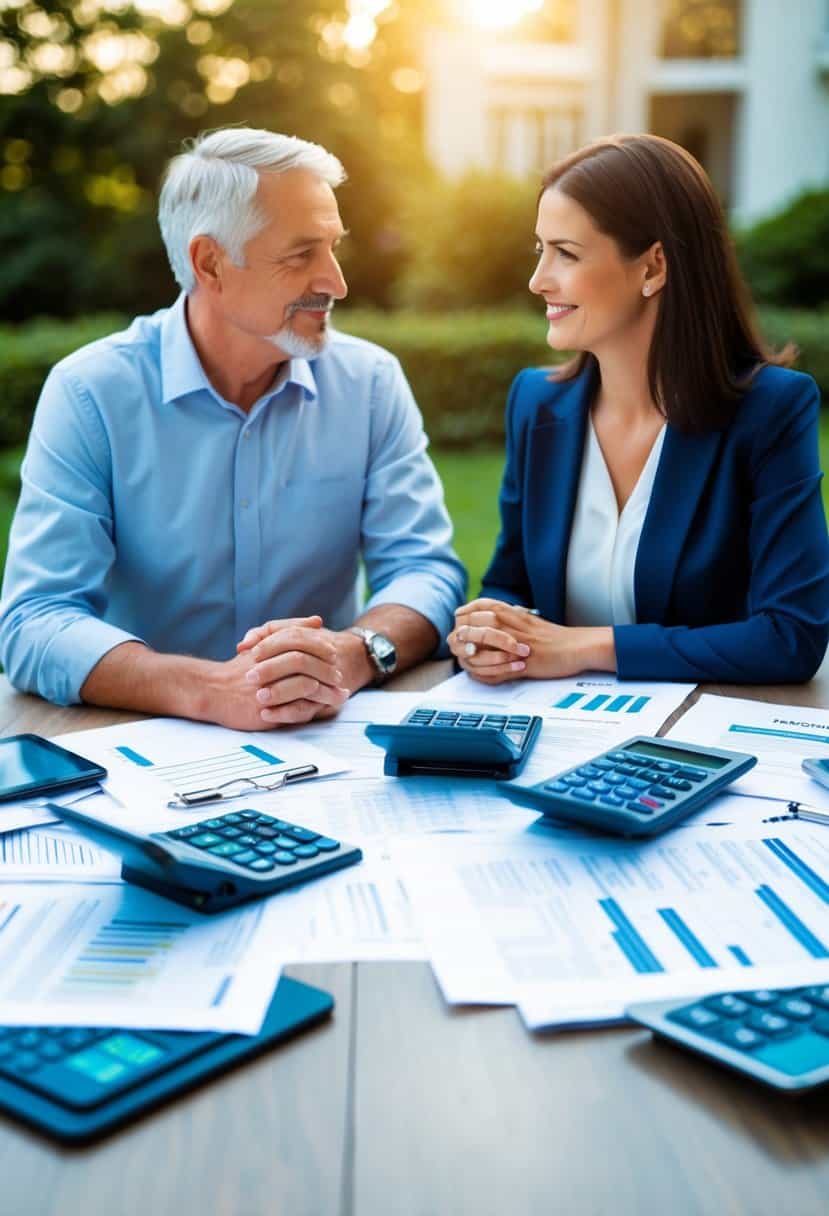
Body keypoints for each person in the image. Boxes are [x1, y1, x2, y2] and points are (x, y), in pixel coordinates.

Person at [0, 128, 466, 729]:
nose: (336, 281)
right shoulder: (91, 393)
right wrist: (206, 690)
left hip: (323, 738)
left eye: (333, 248)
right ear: (210, 263)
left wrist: (353, 654)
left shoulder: (370, 383)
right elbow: (36, 618)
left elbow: (425, 569)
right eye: (302, 255)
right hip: (137, 743)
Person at [448, 134, 829, 686]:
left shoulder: (770, 412)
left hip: (696, 746)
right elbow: (512, 584)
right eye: (540, 250)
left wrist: (588, 647)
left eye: (567, 254)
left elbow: (790, 637)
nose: (538, 280)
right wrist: (492, 630)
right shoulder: (536, 403)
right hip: (557, 733)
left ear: (653, 267)